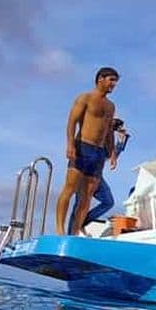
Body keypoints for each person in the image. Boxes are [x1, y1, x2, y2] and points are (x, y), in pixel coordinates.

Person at [55, 66, 120, 235]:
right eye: (111, 80)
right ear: (100, 79)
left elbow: (108, 131)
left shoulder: (111, 106)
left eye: (115, 81)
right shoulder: (85, 98)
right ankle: (60, 230)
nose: (114, 84)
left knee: (87, 197)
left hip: (98, 153)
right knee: (69, 189)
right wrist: (70, 144)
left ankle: (75, 231)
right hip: (82, 146)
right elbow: (72, 122)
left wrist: (112, 153)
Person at [67, 118, 130, 235]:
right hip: (83, 172)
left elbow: (112, 156)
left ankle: (83, 221)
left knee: (108, 201)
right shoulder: (97, 132)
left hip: (97, 175)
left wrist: (121, 141)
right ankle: (71, 234)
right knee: (80, 203)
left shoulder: (108, 141)